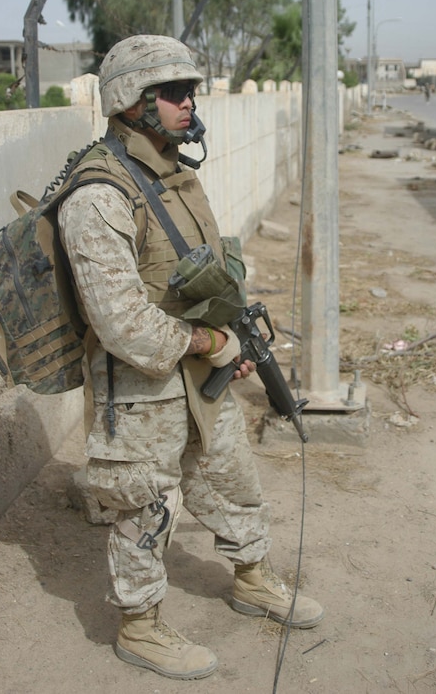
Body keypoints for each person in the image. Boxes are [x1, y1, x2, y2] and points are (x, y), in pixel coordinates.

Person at [57, 34, 323, 681]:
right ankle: (139, 627)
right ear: (129, 101)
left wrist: (225, 337)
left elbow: (197, 271)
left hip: (194, 369)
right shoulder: (97, 193)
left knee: (230, 474)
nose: (187, 102)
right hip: (138, 383)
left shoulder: (175, 175)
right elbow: (121, 322)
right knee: (146, 505)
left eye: (190, 90)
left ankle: (252, 578)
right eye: (172, 92)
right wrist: (209, 343)